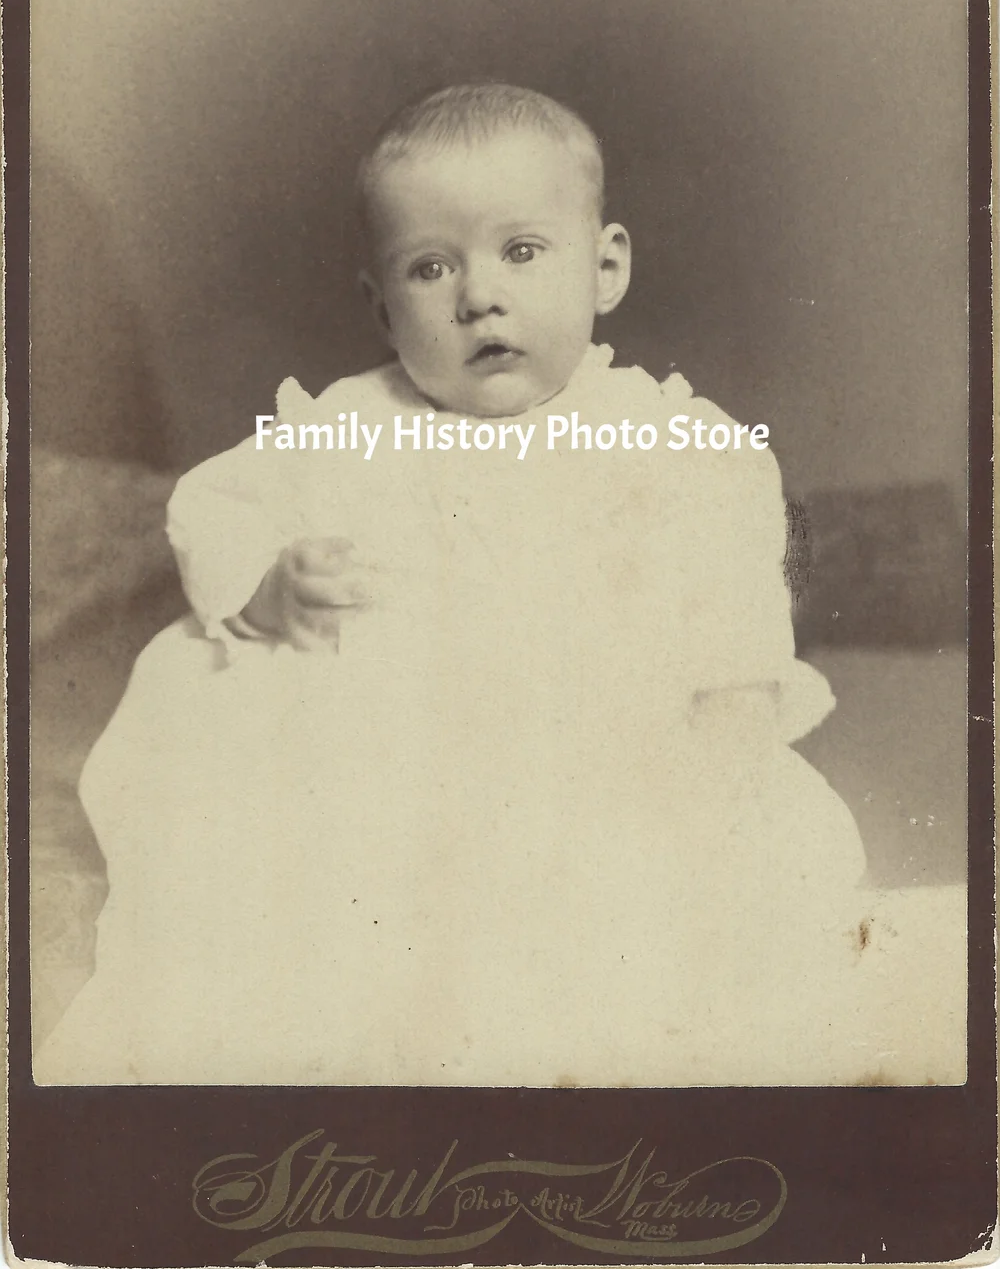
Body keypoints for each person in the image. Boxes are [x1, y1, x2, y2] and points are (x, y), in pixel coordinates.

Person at [35, 84, 873, 1087]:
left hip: (616, 755)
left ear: (604, 268)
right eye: (431, 267)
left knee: (684, 932)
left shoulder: (677, 443)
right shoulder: (351, 424)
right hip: (404, 763)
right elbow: (212, 504)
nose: (478, 295)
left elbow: (732, 594)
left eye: (521, 251)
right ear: (382, 307)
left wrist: (729, 726)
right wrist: (264, 585)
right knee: (327, 928)